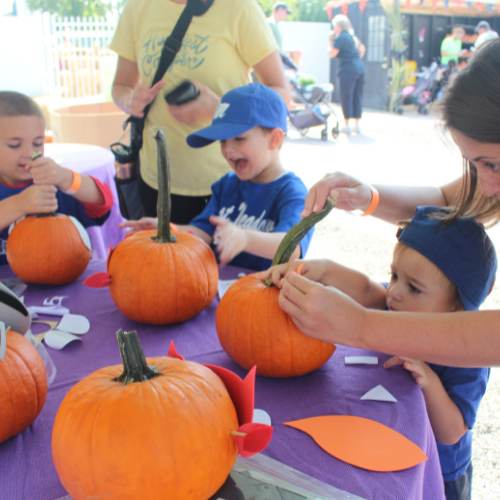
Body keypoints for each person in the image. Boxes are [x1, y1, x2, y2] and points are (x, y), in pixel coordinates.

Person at [271, 38, 500, 368]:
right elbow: (452, 201)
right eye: (473, 165)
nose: (487, 186)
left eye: (492, 164)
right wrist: (368, 197)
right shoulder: (487, 179)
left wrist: (361, 325)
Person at [263, 205, 496, 499]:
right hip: (390, 444)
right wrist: (323, 269)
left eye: (414, 287)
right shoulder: (403, 304)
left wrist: (428, 380)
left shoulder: (470, 354)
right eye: (395, 275)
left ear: (456, 307)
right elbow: (366, 289)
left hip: (440, 471)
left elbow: (452, 432)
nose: (394, 292)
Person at [109, 0, 288, 225]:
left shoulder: (240, 8)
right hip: (156, 183)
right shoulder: (137, 8)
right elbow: (121, 86)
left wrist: (220, 109)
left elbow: (281, 94)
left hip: (229, 182)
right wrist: (129, 101)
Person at [120, 83, 312, 271]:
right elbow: (203, 233)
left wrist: (245, 239)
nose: (228, 149)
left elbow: (293, 247)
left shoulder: (293, 193)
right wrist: (169, 230)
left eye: (239, 138)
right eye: (222, 141)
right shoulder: (226, 186)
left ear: (274, 139)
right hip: (221, 289)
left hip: (267, 294)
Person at [0, 91, 112, 265]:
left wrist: (67, 179)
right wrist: (19, 204)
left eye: (37, 143)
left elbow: (102, 202)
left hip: (63, 277)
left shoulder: (52, 179)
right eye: (15, 145)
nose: (29, 153)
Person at [328, 14, 365, 135]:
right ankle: (357, 125)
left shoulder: (341, 38)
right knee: (357, 95)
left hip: (347, 69)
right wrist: (355, 58)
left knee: (346, 96)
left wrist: (330, 42)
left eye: (334, 26)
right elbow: (362, 49)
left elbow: (332, 54)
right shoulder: (352, 36)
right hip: (359, 67)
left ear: (338, 26)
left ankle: (347, 125)